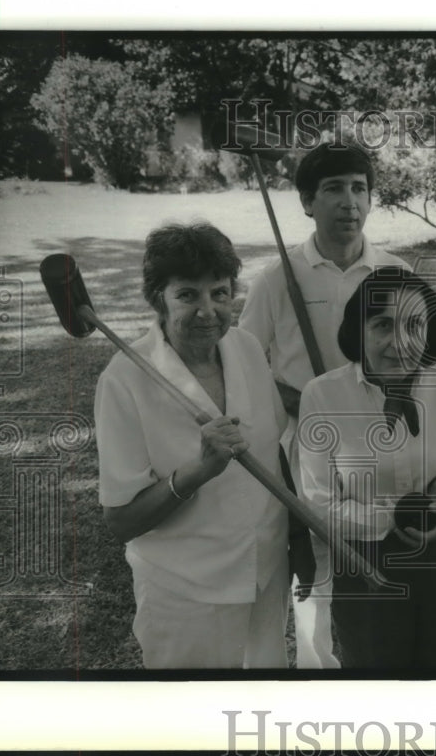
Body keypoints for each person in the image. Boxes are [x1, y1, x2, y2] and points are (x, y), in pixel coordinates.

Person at [239, 141, 409, 669]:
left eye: (359, 188)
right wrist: (306, 402)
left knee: (384, 553)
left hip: (384, 448)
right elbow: (245, 364)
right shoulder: (276, 279)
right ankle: (321, 681)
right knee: (318, 566)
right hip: (305, 452)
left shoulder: (395, 273)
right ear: (308, 202)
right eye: (334, 188)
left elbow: (418, 360)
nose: (349, 201)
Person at [94, 223, 290, 669]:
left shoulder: (244, 348)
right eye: (188, 295)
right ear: (157, 298)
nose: (208, 312)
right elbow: (122, 520)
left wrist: (296, 544)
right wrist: (197, 471)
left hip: (266, 577)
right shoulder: (124, 380)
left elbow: (275, 455)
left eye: (220, 294)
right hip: (186, 595)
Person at [297, 267, 436, 669]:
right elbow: (317, 504)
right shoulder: (322, 395)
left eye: (415, 324)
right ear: (358, 329)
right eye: (383, 324)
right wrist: (395, 515)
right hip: (367, 564)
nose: (399, 343)